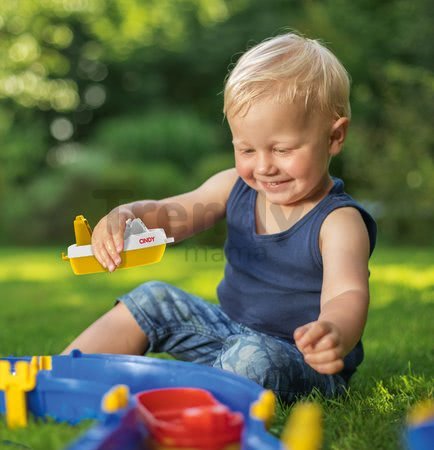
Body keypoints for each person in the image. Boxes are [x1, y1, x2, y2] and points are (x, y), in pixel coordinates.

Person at [63, 32, 377, 403]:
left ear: (334, 137)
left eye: (282, 149)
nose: (264, 166)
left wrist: (333, 332)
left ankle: (179, 407)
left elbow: (347, 293)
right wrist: (127, 215)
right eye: (246, 148)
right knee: (152, 298)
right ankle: (62, 376)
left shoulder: (338, 222)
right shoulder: (235, 187)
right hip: (227, 332)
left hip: (297, 359)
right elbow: (171, 215)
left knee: (252, 357)